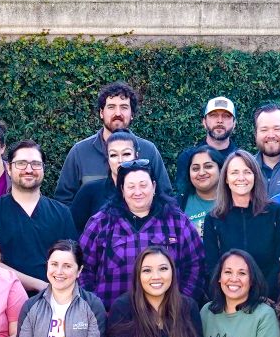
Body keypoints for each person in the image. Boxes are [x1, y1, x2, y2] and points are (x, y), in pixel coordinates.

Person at [80, 160, 204, 310]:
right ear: (122, 190)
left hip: (169, 319)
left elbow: (196, 265)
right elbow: (82, 270)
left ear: (154, 186)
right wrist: (96, 309)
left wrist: (181, 306)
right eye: (131, 187)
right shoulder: (100, 223)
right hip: (113, 319)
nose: (138, 192)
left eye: (143, 185)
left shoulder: (177, 221)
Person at [0, 140, 77, 293]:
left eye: (35, 164)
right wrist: (40, 285)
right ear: (9, 168)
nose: (28, 169)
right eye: (21, 163)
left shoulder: (61, 213)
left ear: (43, 169)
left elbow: (71, 260)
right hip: (3, 299)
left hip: (53, 301)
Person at [54, 81, 172, 204]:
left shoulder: (149, 150)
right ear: (101, 113)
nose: (117, 113)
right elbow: (63, 203)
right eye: (111, 107)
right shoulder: (80, 152)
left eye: (124, 107)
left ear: (132, 114)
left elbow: (166, 197)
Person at [202, 150, 280, 292]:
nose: (241, 177)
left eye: (247, 172)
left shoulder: (274, 212)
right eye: (234, 172)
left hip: (270, 298)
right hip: (229, 297)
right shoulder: (213, 219)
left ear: (255, 176)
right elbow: (212, 266)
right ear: (226, 178)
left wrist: (264, 294)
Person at [72, 130, 142, 233]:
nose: (120, 160)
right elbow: (72, 232)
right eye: (114, 155)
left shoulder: (147, 192)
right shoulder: (89, 191)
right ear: (107, 158)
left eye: (126, 154)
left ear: (136, 156)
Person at [173, 96, 240, 192]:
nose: (220, 120)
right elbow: (182, 196)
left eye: (226, 116)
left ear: (234, 124)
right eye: (213, 115)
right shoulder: (188, 158)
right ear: (204, 122)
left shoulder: (242, 159)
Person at [250, 103, 280, 195]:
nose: (271, 135)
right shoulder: (247, 167)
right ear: (255, 134)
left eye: (277, 129)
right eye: (264, 130)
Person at [179, 146, 220, 235]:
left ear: (220, 169)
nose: (201, 173)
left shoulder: (235, 201)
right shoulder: (177, 205)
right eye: (195, 168)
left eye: (208, 166)